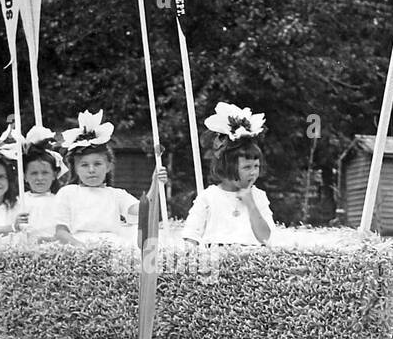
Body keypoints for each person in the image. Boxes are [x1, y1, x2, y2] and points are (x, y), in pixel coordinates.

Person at [52, 109, 167, 246]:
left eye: (97, 164)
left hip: (111, 246)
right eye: (84, 165)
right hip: (78, 247)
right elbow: (61, 232)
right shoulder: (68, 193)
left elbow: (144, 210)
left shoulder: (116, 195)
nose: (91, 170)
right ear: (75, 168)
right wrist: (81, 248)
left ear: (108, 166)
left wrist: (156, 183)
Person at [182, 101, 275, 246]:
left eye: (256, 166)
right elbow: (191, 236)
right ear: (228, 166)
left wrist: (251, 204)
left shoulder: (258, 196)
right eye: (247, 167)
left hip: (251, 263)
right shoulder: (209, 197)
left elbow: (266, 238)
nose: (253, 172)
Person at [19, 125, 67, 241]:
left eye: (45, 173)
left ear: (54, 175)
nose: (39, 178)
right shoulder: (20, 201)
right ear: (25, 176)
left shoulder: (60, 200)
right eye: (34, 173)